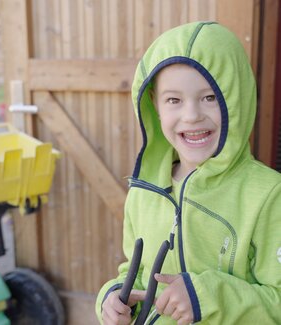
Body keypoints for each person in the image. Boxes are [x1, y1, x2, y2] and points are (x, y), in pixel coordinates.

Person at [95, 21, 281, 324]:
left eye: (209, 97)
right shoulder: (143, 191)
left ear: (238, 99)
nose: (192, 115)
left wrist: (209, 298)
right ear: (154, 106)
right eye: (174, 100)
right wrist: (113, 298)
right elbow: (136, 273)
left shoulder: (269, 195)